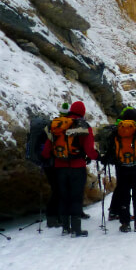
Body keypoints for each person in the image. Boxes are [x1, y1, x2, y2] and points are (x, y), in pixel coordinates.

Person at [41, 100, 98, 237]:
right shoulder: (83, 126)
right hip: (77, 167)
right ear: (82, 113)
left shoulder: (59, 125)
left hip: (59, 168)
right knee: (76, 198)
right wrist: (97, 156)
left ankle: (65, 228)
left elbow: (46, 151)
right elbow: (89, 150)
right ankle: (76, 229)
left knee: (64, 197)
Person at [101, 107, 136, 233]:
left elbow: (111, 151)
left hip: (122, 168)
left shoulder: (116, 131)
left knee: (124, 194)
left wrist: (116, 162)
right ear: (134, 118)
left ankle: (125, 223)